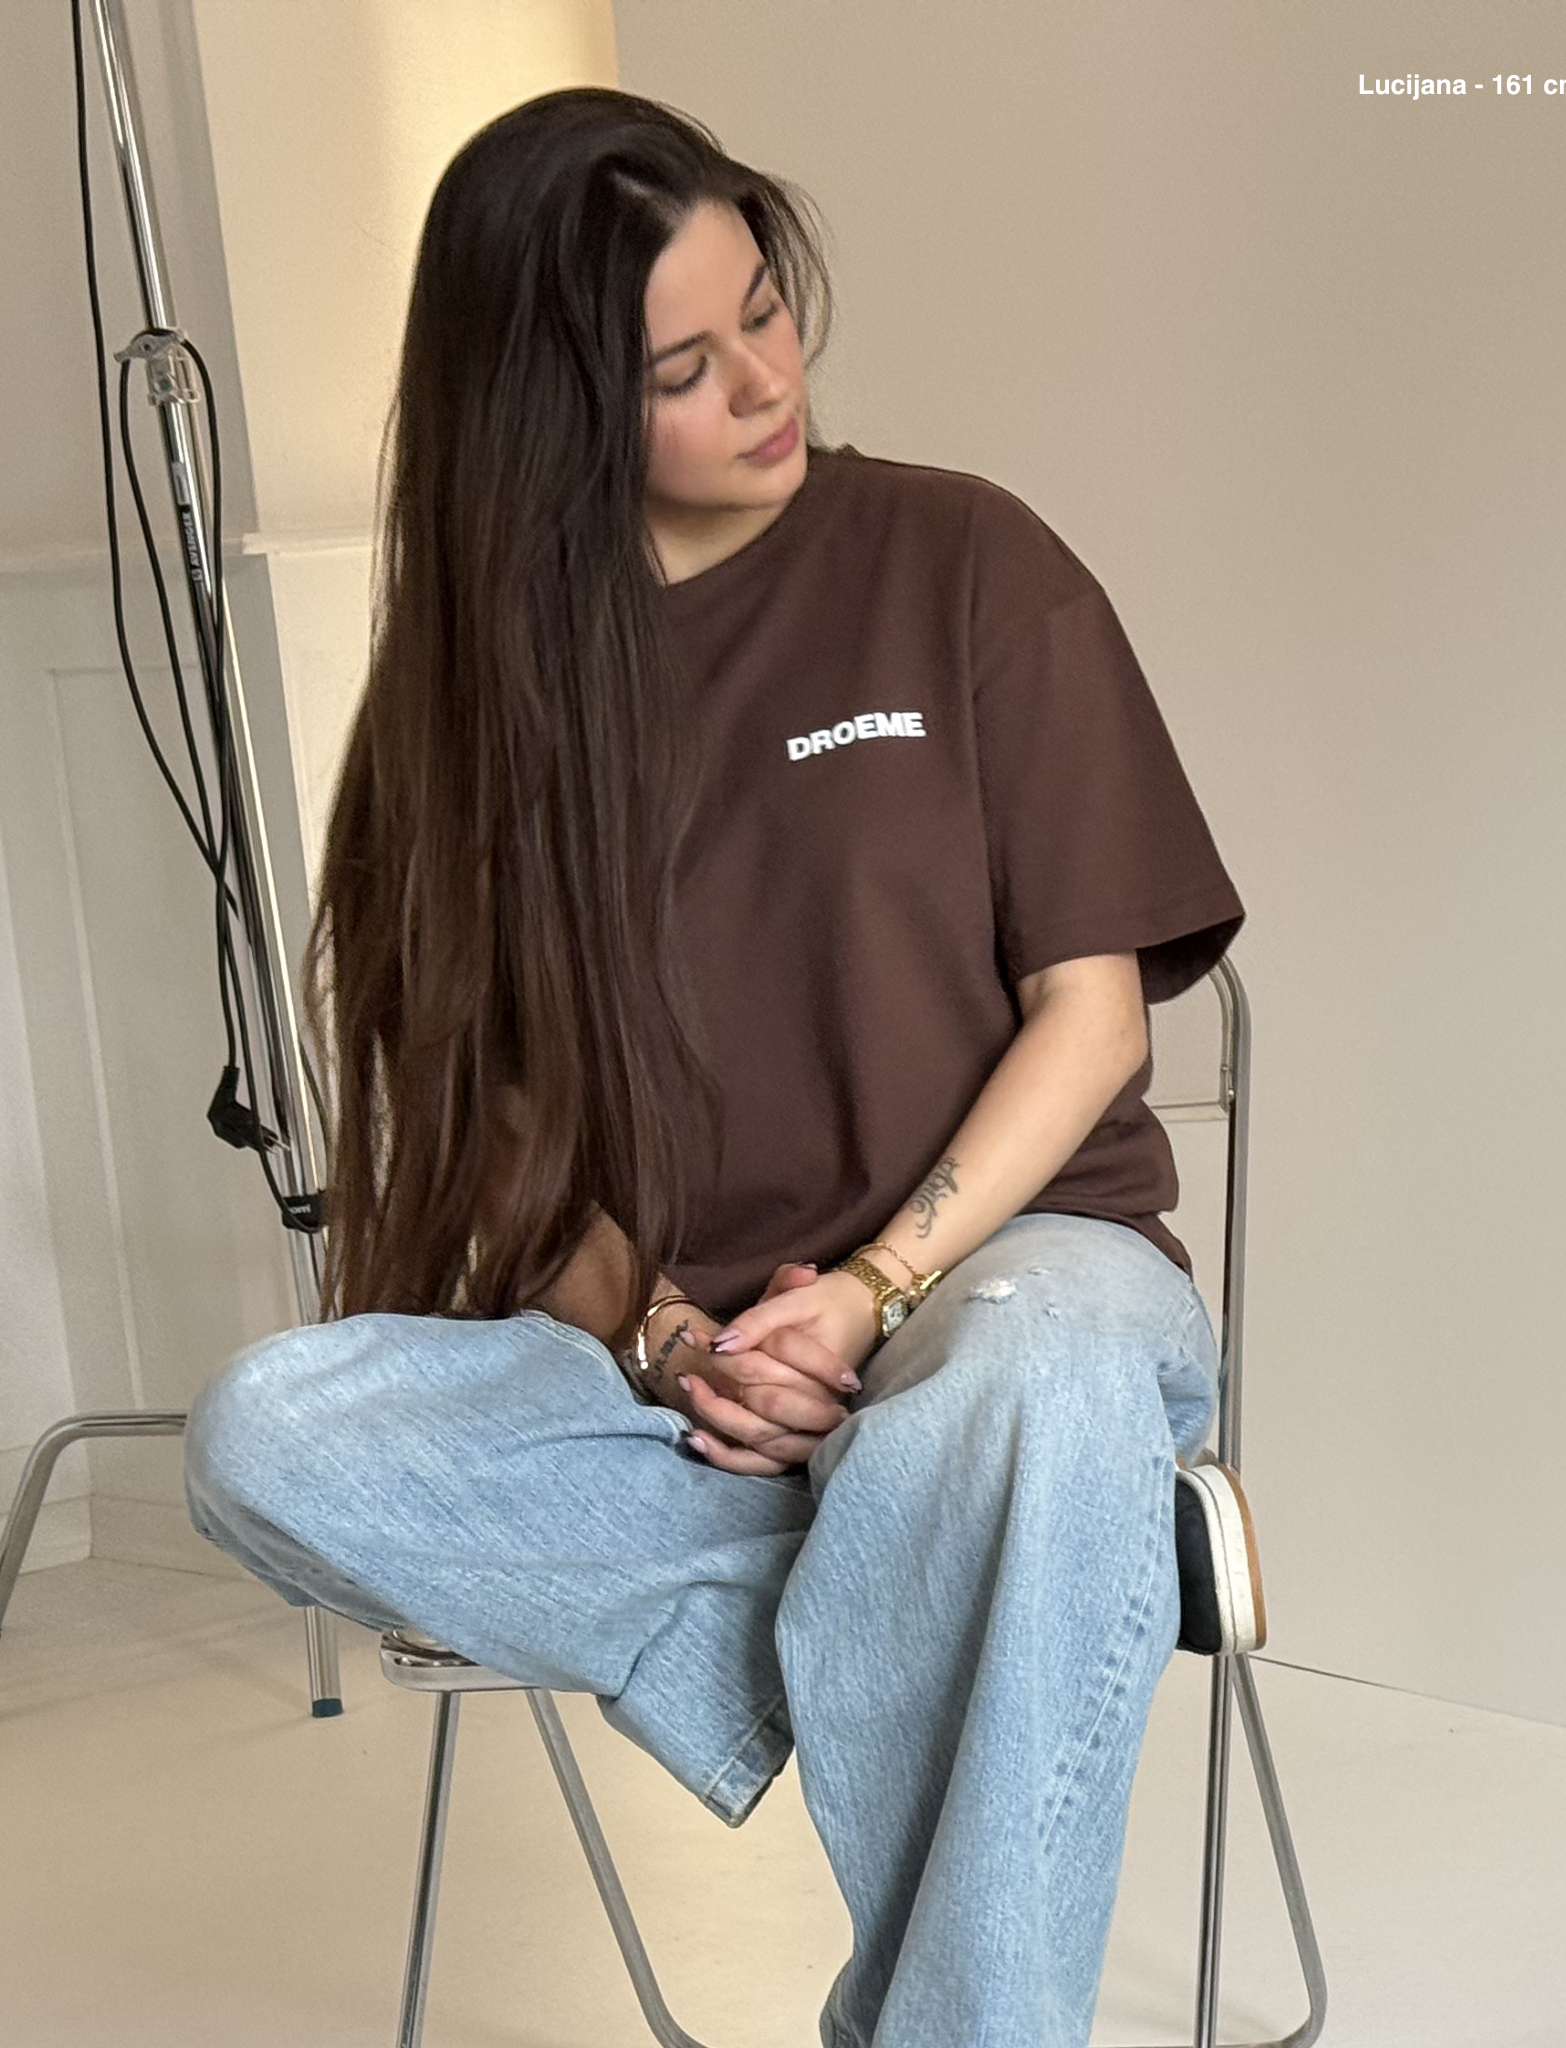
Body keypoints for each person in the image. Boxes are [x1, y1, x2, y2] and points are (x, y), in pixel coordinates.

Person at [183, 85, 1247, 2048]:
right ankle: (917, 1584)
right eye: (682, 369)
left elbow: (1094, 1017)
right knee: (269, 1432)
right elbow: (519, 1149)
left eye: (764, 307)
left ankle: (934, 1637)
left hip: (1016, 1287)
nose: (767, 382)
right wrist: (683, 1343)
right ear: (556, 410)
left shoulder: (963, 557)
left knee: (1020, 1385)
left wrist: (871, 1295)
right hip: (691, 1388)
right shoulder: (478, 707)